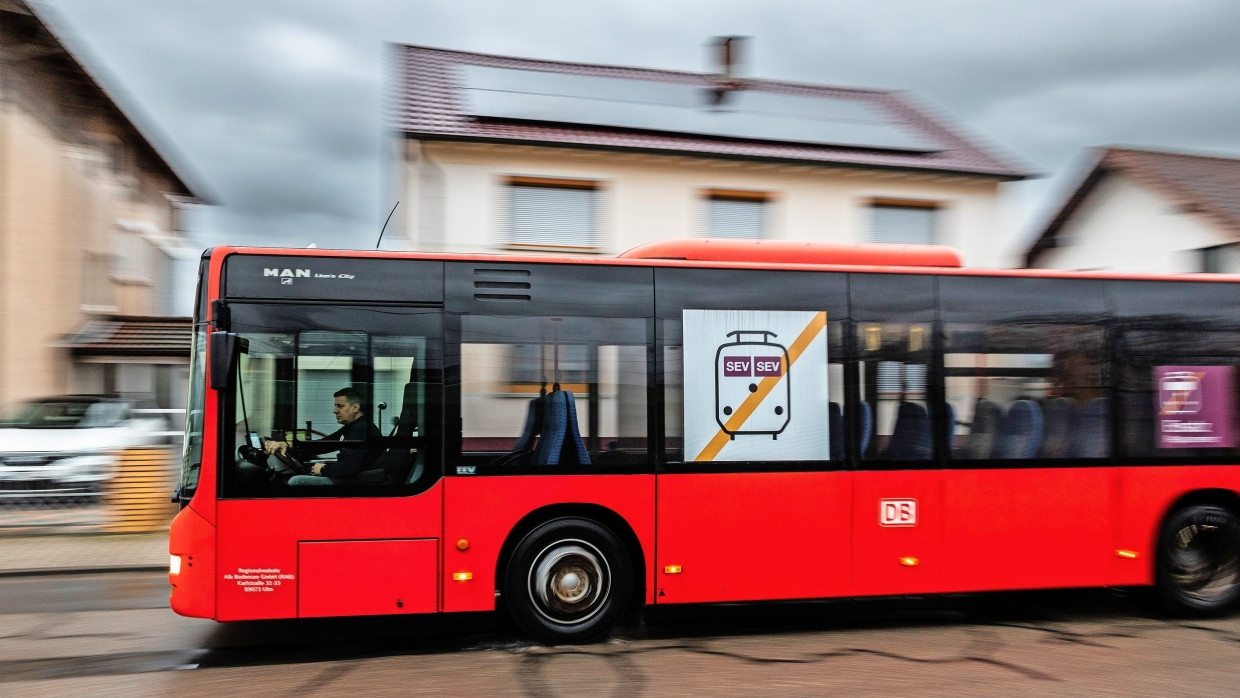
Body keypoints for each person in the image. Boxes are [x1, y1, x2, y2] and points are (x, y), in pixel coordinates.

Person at [264, 387, 382, 485]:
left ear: (355, 407)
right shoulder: (353, 427)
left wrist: (323, 469)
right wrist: (287, 445)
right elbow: (324, 444)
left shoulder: (360, 429)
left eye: (340, 406)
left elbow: (350, 467)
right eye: (335, 406)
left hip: (354, 482)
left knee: (295, 481)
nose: (335, 411)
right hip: (349, 478)